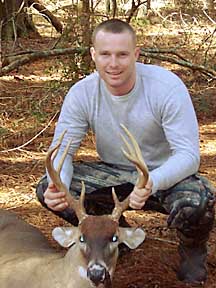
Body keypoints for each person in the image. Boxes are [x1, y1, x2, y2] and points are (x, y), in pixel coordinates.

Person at [36, 19, 215, 284]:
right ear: (93, 54)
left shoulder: (166, 87)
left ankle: (192, 251)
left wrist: (152, 182)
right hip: (114, 173)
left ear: (136, 54)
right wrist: (56, 184)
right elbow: (63, 151)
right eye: (105, 54)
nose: (113, 63)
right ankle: (114, 238)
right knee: (48, 188)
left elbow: (188, 155)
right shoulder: (82, 93)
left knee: (198, 201)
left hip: (161, 175)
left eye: (122, 54)